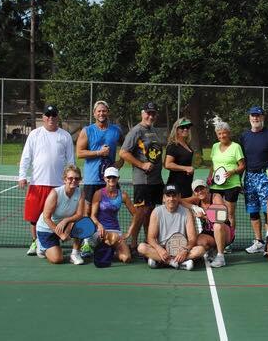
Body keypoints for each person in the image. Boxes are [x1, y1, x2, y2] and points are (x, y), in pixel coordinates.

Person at [19, 104, 75, 256]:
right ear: (43, 117)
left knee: (56, 216)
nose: (50, 118)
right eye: (47, 115)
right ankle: (35, 241)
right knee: (34, 217)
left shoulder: (65, 136)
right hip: (37, 184)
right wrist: (22, 176)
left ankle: (51, 242)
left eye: (53, 115)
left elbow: (70, 161)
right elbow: (26, 156)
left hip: (58, 185)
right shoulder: (35, 134)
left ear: (57, 117)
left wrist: (71, 180)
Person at [76, 100, 124, 257]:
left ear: (107, 112)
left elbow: (125, 150)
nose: (101, 113)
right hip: (91, 179)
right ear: (94, 113)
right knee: (87, 211)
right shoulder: (87, 130)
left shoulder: (116, 131)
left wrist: (119, 163)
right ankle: (86, 243)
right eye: (99, 111)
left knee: (111, 210)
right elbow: (80, 153)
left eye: (104, 111)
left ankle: (110, 239)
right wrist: (98, 153)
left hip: (109, 180)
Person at [119, 102, 164, 253]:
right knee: (141, 211)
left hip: (155, 180)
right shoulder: (136, 131)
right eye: (148, 113)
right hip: (142, 180)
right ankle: (132, 242)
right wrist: (142, 165)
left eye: (153, 113)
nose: (150, 116)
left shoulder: (153, 130)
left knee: (150, 211)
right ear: (142, 113)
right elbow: (123, 153)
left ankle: (147, 241)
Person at [239, 106, 268, 254]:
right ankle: (258, 241)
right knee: (253, 211)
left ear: (263, 117)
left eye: (258, 115)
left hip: (266, 177)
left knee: (267, 211)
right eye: (253, 115)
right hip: (249, 177)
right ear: (249, 118)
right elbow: (242, 161)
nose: (255, 118)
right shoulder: (244, 136)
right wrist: (240, 180)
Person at [137, 184, 206, 270]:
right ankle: (175, 263)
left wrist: (185, 250)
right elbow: (151, 238)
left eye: (174, 196)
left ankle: (161, 261)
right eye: (168, 196)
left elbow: (192, 239)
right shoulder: (156, 212)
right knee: (142, 247)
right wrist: (159, 249)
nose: (171, 199)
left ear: (179, 197)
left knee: (200, 250)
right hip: (163, 249)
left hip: (181, 249)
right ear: (164, 198)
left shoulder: (187, 213)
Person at [35, 165, 86, 265]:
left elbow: (79, 214)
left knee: (82, 223)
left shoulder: (80, 192)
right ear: (64, 179)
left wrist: (66, 221)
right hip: (47, 228)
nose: (73, 181)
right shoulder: (55, 193)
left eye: (76, 178)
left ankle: (75, 254)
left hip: (63, 224)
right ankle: (41, 245)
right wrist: (61, 234)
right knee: (57, 259)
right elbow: (46, 217)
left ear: (80, 180)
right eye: (70, 178)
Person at [182, 179, 235, 268]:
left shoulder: (215, 197)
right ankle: (213, 250)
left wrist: (204, 216)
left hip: (224, 231)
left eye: (202, 188)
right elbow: (179, 201)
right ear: (194, 193)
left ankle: (220, 257)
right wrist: (193, 206)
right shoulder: (196, 200)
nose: (200, 192)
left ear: (207, 189)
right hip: (209, 231)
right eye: (197, 190)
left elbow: (222, 216)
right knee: (199, 242)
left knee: (217, 225)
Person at [90, 167, 135, 264]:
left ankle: (107, 252)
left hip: (116, 231)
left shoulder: (123, 196)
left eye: (114, 177)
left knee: (126, 258)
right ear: (105, 178)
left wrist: (129, 232)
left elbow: (135, 214)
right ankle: (104, 248)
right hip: (99, 232)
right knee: (114, 237)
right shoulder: (98, 194)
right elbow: (92, 216)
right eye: (109, 177)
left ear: (118, 178)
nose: (111, 179)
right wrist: (99, 225)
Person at [209, 120, 245, 234]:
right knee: (217, 212)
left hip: (232, 185)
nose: (222, 136)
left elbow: (242, 166)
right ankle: (219, 236)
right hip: (216, 185)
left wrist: (232, 171)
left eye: (224, 133)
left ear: (229, 133)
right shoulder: (215, 146)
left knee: (230, 213)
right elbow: (213, 165)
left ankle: (230, 239)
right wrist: (210, 177)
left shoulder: (236, 147)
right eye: (219, 134)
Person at [164, 118, 195, 197]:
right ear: (176, 130)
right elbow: (168, 164)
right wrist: (185, 168)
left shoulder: (187, 145)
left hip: (187, 184)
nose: (185, 129)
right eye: (182, 127)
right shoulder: (173, 145)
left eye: (187, 127)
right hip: (176, 185)